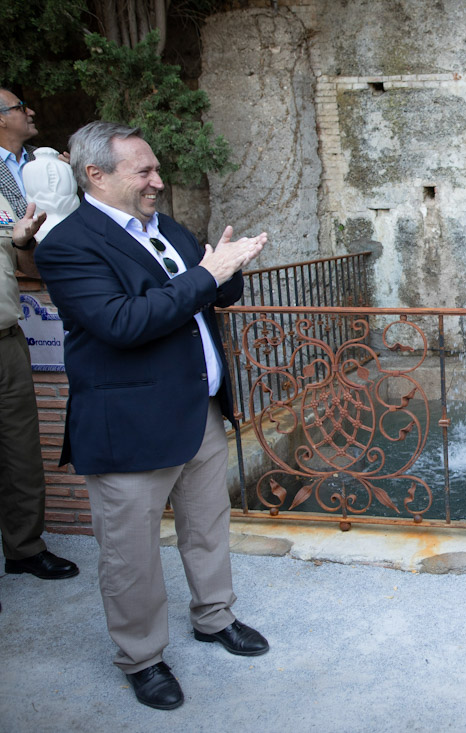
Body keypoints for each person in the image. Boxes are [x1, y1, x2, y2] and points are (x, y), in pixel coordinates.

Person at [34, 121, 269, 710]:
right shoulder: (68, 245)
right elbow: (123, 323)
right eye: (144, 171)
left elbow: (211, 296)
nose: (158, 182)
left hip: (200, 413)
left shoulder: (169, 230)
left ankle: (215, 617)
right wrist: (205, 275)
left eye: (155, 169)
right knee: (130, 554)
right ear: (96, 175)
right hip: (130, 428)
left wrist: (226, 270)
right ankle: (142, 657)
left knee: (208, 529)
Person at [1, 90, 79, 615]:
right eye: (18, 106)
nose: (31, 111)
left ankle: (25, 549)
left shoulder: (31, 169)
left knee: (21, 449)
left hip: (7, 335)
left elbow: (30, 244)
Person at [0, 87, 38, 218]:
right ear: (1, 120)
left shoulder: (42, 156)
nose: (31, 112)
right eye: (21, 107)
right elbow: (7, 220)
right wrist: (46, 181)